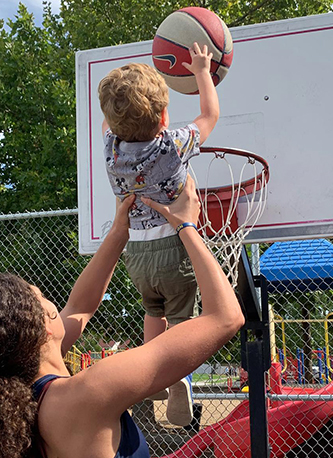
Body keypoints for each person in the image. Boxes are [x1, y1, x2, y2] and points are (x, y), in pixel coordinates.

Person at [0, 178, 243, 458]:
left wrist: (119, 232)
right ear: (43, 327)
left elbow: (81, 306)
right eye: (41, 297)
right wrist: (186, 225)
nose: (55, 303)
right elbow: (224, 318)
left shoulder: (20, 396)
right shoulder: (86, 395)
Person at [98, 43, 220, 426]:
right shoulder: (172, 145)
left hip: (135, 254)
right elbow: (209, 114)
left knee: (153, 308)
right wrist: (202, 70)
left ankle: (149, 374)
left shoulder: (110, 151)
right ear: (164, 117)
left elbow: (109, 123)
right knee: (182, 319)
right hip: (174, 246)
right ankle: (178, 377)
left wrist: (121, 99)